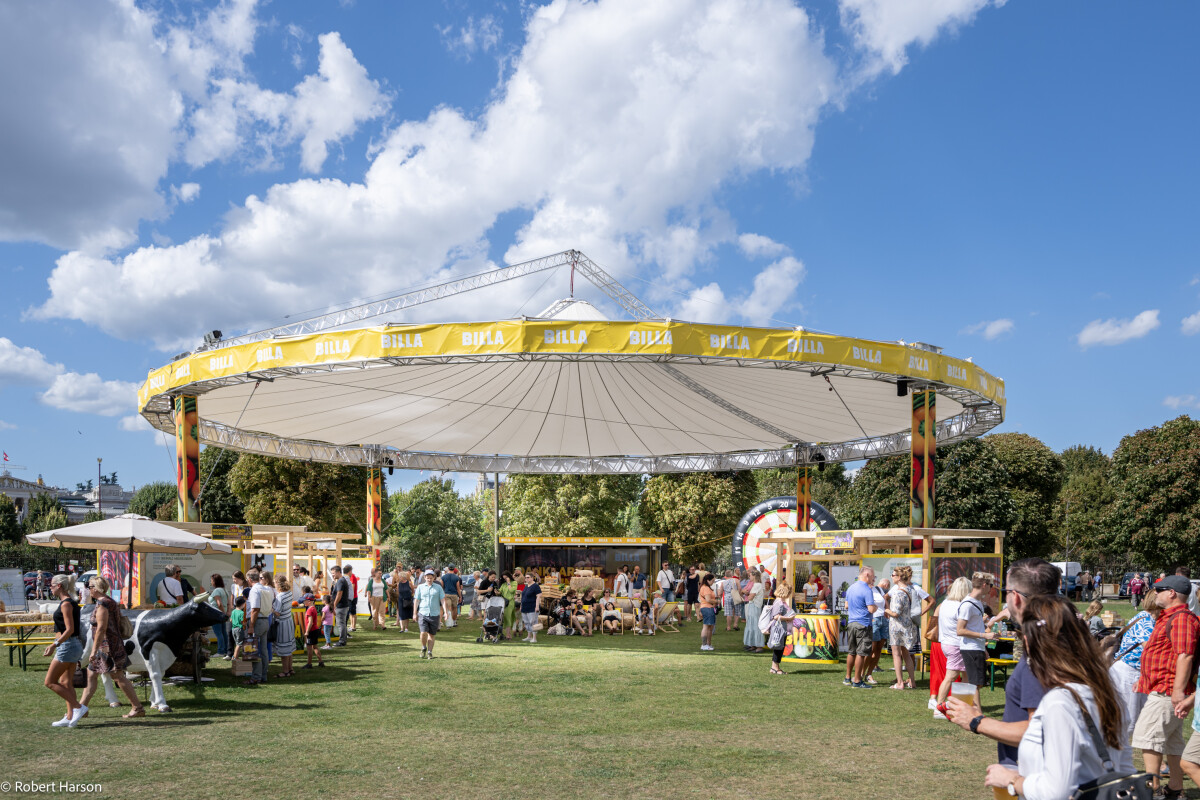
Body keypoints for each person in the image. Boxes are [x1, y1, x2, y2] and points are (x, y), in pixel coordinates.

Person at [981, 594, 1133, 800]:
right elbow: (1123, 769)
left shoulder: (1060, 703)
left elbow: (1057, 791)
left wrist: (1011, 780)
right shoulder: (1106, 691)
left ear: (1030, 641)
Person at [947, 558, 1060, 768]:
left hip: (1036, 776)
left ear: (1015, 598)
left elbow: (1041, 732)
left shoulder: (1039, 655)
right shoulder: (1068, 638)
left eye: (1005, 591)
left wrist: (976, 722)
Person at [1130, 575, 1199, 799]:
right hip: (1164, 689)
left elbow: (1185, 655)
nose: (1155, 593)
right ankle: (1175, 789)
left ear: (1172, 593)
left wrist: (1178, 692)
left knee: (1148, 740)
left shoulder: (1180, 619)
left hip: (1167, 692)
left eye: (1159, 590)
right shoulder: (1171, 617)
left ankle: (1154, 791)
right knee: (1172, 742)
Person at [79, 576, 144, 718]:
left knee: (118, 676)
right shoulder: (109, 601)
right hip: (109, 645)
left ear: (95, 589)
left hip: (107, 647)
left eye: (89, 587)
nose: (88, 590)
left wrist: (94, 650)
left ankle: (138, 708)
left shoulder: (103, 604)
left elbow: (101, 629)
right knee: (91, 675)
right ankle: (82, 708)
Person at [1104, 589, 1159, 744]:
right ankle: (1115, 760)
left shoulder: (1152, 620)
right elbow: (1152, 650)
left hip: (1137, 673)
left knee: (1142, 718)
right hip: (1128, 673)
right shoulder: (1144, 621)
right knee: (1128, 721)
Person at [44, 574, 87, 727]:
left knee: (49, 682)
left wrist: (54, 644)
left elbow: (69, 629)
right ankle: (69, 716)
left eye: (52, 585)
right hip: (72, 645)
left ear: (59, 586)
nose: (50, 587)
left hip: (68, 645)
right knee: (66, 683)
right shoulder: (70, 602)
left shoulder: (66, 604)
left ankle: (78, 707)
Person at [956, 571, 997, 700]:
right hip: (970, 648)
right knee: (975, 684)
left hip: (976, 647)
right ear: (984, 585)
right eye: (991, 585)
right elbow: (960, 630)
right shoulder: (968, 605)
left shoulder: (977, 602)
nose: (992, 588)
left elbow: (975, 626)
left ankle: (958, 709)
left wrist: (983, 648)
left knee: (974, 683)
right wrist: (985, 636)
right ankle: (977, 713)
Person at [934, 577, 973, 710]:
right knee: (951, 676)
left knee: (966, 674)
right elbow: (964, 627)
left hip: (947, 642)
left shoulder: (945, 603)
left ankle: (963, 706)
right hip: (957, 644)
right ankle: (939, 706)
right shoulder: (961, 606)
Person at [842, 567, 878, 688]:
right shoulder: (867, 590)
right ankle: (857, 680)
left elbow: (846, 606)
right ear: (867, 575)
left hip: (851, 623)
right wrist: (876, 606)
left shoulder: (851, 587)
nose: (873, 579)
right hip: (863, 624)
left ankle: (847, 678)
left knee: (851, 652)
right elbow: (871, 609)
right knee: (861, 653)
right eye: (873, 576)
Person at [885, 566, 919, 689]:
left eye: (893, 575)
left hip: (897, 627)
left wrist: (886, 610)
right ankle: (912, 681)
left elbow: (896, 613)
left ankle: (900, 683)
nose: (891, 577)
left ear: (899, 577)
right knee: (907, 654)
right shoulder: (911, 589)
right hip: (908, 626)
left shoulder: (898, 592)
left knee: (896, 654)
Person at [245, 569, 274, 685]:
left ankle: (256, 677)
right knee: (264, 651)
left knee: (253, 650)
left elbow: (255, 609)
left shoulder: (255, 590)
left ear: (250, 579)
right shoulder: (267, 589)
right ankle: (263, 675)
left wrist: (251, 626)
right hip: (266, 619)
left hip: (257, 621)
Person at [863, 576, 890, 685]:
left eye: (874, 579)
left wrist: (888, 612)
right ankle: (861, 673)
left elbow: (885, 601)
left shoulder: (878, 589)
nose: (873, 581)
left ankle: (869, 674)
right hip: (873, 620)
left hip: (883, 620)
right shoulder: (865, 590)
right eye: (872, 579)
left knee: (879, 648)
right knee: (871, 649)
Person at [414, 570, 445, 659]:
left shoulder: (438, 587)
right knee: (423, 632)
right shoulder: (420, 587)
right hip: (423, 613)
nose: (429, 579)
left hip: (434, 614)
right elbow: (416, 600)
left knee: (431, 634)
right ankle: (424, 647)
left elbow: (442, 600)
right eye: (427, 578)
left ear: (434, 578)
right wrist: (414, 613)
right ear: (425, 578)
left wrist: (446, 612)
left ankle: (429, 652)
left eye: (431, 578)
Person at [768, 583, 796, 675]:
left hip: (782, 628)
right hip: (779, 629)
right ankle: (776, 668)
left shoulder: (781, 601)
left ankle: (774, 667)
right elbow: (776, 616)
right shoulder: (779, 602)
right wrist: (788, 618)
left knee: (779, 647)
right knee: (778, 647)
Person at [273, 574, 296, 678]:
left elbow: (277, 612)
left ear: (278, 584)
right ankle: (290, 669)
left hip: (282, 623)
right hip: (289, 621)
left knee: (284, 650)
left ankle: (285, 671)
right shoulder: (289, 593)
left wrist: (270, 608)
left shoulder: (280, 596)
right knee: (289, 648)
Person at [742, 569, 766, 653]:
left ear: (754, 576)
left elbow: (750, 597)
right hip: (753, 606)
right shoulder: (756, 585)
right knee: (751, 624)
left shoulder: (757, 585)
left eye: (750, 575)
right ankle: (753, 644)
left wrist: (748, 594)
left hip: (755, 606)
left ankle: (759, 645)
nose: (749, 577)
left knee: (756, 625)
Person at [207, 573, 230, 658]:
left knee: (218, 633)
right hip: (221, 614)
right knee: (223, 633)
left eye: (211, 580)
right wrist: (226, 612)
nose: (211, 582)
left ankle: (220, 652)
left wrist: (222, 613)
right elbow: (228, 603)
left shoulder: (216, 591)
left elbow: (219, 603)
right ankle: (226, 650)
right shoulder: (224, 590)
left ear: (215, 581)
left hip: (217, 614)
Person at [299, 594, 325, 669]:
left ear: (309, 601)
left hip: (311, 630)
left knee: (309, 647)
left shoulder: (310, 610)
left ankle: (309, 664)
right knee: (315, 646)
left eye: (305, 601)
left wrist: (307, 631)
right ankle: (320, 661)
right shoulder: (313, 608)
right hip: (315, 630)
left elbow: (310, 622)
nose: (303, 602)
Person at [330, 566, 352, 647]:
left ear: (338, 572)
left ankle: (342, 641)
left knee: (341, 624)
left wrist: (334, 605)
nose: (332, 575)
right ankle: (343, 640)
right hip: (343, 605)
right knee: (342, 623)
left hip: (341, 606)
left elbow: (339, 594)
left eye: (333, 573)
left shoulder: (341, 581)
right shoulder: (341, 580)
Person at [698, 573, 718, 651]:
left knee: (710, 627)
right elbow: (708, 599)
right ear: (708, 580)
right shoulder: (705, 588)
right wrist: (716, 601)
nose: (713, 582)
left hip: (707, 608)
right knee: (706, 626)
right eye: (712, 581)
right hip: (707, 608)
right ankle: (704, 644)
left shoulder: (705, 587)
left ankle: (708, 644)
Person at [520, 572, 542, 643]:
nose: (526, 579)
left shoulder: (535, 586)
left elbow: (538, 596)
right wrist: (521, 605)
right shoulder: (526, 586)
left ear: (532, 578)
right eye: (526, 577)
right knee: (526, 622)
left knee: (533, 622)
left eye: (528, 577)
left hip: (532, 607)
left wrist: (537, 606)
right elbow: (523, 597)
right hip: (525, 607)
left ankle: (534, 638)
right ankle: (529, 636)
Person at [499, 572, 518, 640]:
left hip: (510, 602)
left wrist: (509, 583)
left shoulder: (514, 583)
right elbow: (500, 592)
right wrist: (496, 591)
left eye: (506, 578)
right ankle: (507, 634)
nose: (505, 579)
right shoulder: (503, 584)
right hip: (503, 602)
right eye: (504, 578)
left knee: (508, 618)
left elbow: (512, 591)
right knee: (505, 618)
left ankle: (508, 634)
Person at [394, 567, 414, 632]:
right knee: (401, 614)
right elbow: (398, 592)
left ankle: (406, 628)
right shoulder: (398, 584)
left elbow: (413, 591)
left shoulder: (409, 583)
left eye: (400, 577)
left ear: (403, 577)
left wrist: (411, 596)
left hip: (408, 600)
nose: (399, 578)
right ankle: (402, 628)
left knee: (407, 614)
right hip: (401, 600)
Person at [230, 595, 247, 661]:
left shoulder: (233, 611)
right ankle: (235, 657)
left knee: (237, 643)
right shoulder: (242, 613)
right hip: (239, 629)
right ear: (243, 604)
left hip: (233, 629)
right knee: (239, 644)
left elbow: (231, 620)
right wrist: (246, 624)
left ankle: (234, 656)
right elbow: (243, 622)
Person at [344, 565, 358, 632]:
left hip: (353, 597)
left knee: (352, 612)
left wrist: (349, 596)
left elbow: (352, 587)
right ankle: (352, 626)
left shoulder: (351, 576)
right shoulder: (351, 576)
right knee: (351, 613)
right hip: (353, 597)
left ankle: (353, 626)